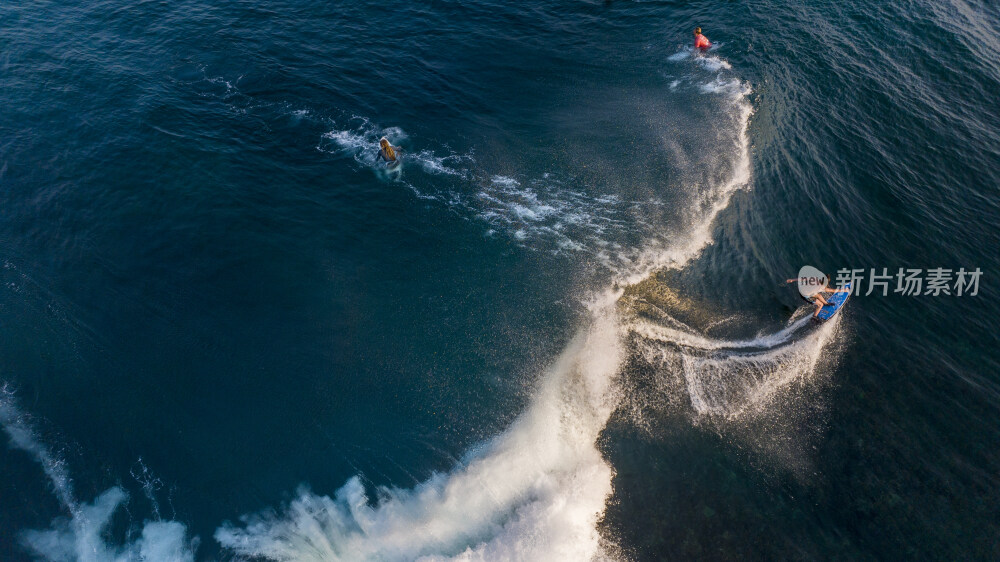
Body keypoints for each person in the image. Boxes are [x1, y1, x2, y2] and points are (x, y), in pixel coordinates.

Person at [785, 278, 850, 317]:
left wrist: (792, 280)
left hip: (802, 292)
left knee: (819, 295)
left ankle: (826, 303)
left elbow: (803, 278)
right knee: (820, 304)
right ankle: (814, 317)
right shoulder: (822, 288)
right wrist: (844, 290)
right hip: (806, 297)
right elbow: (833, 290)